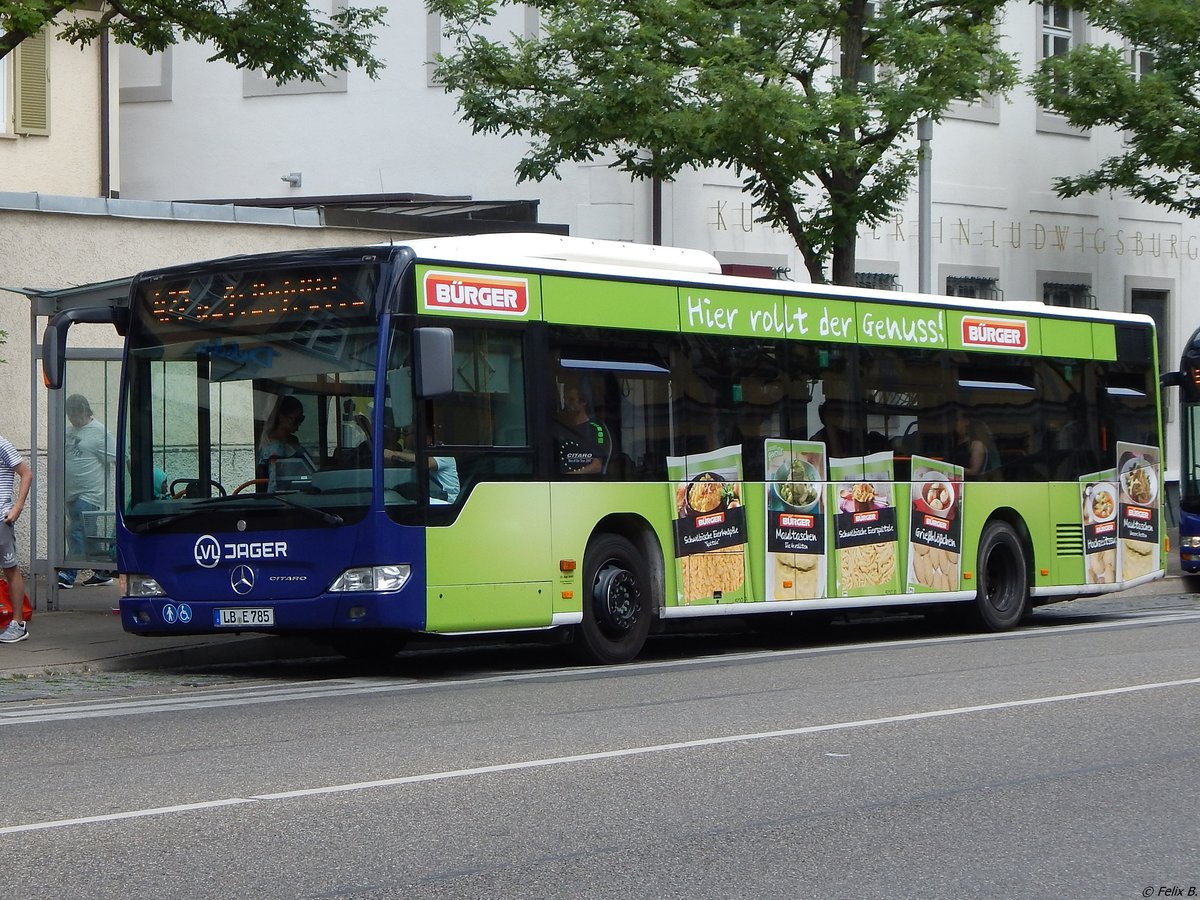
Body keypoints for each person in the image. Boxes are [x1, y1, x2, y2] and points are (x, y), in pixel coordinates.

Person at [57, 394, 117, 589]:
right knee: (88, 534)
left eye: (76, 415)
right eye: (70, 416)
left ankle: (68, 573)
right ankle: (102, 572)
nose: (73, 420)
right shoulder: (68, 431)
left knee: (75, 530)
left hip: (89, 493)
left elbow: (116, 457)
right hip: (71, 493)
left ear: (85, 411)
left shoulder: (100, 432)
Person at [0, 433, 32, 643]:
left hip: (0, 518)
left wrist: (17, 508)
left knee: (10, 569)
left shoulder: (2, 444)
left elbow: (26, 473)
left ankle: (18, 624)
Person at [380, 421, 460, 503]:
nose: (405, 438)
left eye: (408, 434)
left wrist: (395, 453)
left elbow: (426, 462)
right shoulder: (414, 453)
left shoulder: (442, 452)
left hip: (446, 500)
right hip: (431, 493)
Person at [554, 383, 611, 474]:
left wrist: (571, 476)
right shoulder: (561, 427)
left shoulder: (596, 429)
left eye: (572, 400)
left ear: (583, 402)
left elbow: (597, 466)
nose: (567, 403)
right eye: (565, 399)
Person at [953, 410, 1000, 478]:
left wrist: (951, 470)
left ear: (966, 422)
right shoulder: (958, 442)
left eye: (957, 420)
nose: (955, 423)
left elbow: (974, 471)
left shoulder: (976, 444)